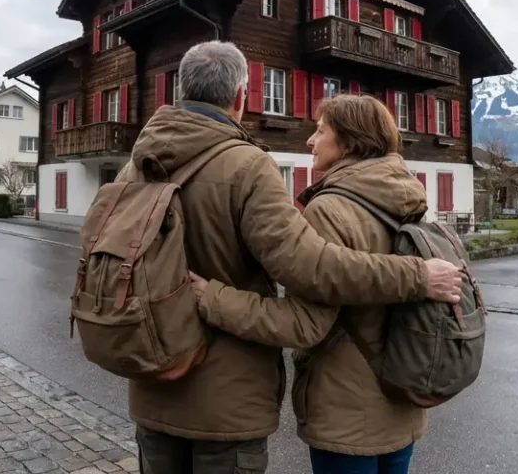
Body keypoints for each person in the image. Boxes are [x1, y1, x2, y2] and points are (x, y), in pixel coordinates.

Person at [120, 41, 462, 474]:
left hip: (151, 377)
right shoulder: (248, 167)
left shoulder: (134, 167)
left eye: (320, 129)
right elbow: (312, 270)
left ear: (180, 90)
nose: (310, 138)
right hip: (229, 397)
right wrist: (417, 276)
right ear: (242, 96)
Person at [190, 94, 431, 474]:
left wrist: (213, 297)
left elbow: (304, 324)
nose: (309, 141)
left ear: (349, 143)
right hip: (401, 397)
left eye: (320, 131)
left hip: (346, 413)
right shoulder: (407, 198)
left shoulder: (330, 210)